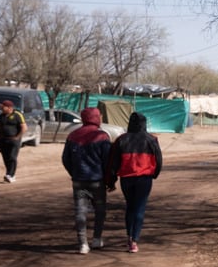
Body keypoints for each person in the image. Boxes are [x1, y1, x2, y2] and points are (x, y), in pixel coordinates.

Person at [62, 107, 114, 254]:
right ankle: (97, 239)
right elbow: (108, 161)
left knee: (80, 211)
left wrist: (74, 172)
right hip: (97, 181)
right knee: (100, 209)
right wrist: (110, 180)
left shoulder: (72, 136)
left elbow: (65, 159)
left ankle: (82, 244)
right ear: (97, 118)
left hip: (79, 181)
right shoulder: (102, 136)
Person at [108, 112, 162, 253]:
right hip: (144, 179)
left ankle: (129, 236)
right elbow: (159, 160)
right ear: (144, 124)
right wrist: (154, 175)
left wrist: (112, 180)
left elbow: (113, 163)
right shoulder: (151, 140)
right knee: (139, 207)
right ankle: (134, 241)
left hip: (126, 179)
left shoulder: (121, 139)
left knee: (130, 207)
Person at [0, 99, 26, 182]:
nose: (1, 108)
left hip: (14, 140)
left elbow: (24, 127)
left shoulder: (17, 115)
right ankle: (9, 173)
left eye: (3, 106)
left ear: (9, 107)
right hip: (3, 140)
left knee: (12, 157)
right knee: (6, 158)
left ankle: (11, 175)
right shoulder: (1, 116)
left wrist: (17, 137)